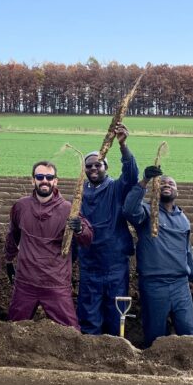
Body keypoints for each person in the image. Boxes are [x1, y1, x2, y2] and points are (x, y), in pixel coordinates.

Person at [5, 161, 93, 329]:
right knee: (14, 329)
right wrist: (9, 260)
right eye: (39, 177)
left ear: (55, 181)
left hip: (55, 282)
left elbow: (87, 239)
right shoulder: (21, 207)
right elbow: (13, 235)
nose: (44, 180)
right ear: (33, 181)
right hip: (26, 282)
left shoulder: (68, 209)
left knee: (70, 332)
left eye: (49, 177)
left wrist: (80, 229)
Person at [123, 168, 193, 346]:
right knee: (155, 335)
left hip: (180, 284)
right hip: (154, 284)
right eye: (163, 183)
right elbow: (128, 210)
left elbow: (187, 251)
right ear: (156, 189)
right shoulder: (147, 212)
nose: (167, 185)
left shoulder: (183, 219)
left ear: (177, 192)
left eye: (171, 183)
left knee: (189, 331)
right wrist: (144, 181)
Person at [76, 123, 139, 335]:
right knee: (89, 312)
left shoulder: (116, 189)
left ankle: (116, 350)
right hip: (90, 264)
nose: (93, 168)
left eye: (98, 165)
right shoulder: (79, 196)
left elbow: (131, 176)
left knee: (116, 313)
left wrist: (123, 145)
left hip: (115, 265)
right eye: (89, 166)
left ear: (106, 167)